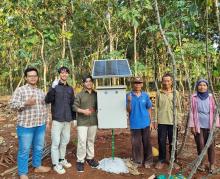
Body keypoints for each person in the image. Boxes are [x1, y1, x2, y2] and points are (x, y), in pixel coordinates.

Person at [10, 67, 51, 179]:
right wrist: (26, 103)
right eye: (30, 76)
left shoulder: (41, 92)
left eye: (35, 76)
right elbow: (12, 105)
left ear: (38, 77)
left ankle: (37, 166)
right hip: (25, 126)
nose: (33, 78)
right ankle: (22, 173)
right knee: (25, 149)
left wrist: (47, 121)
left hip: (40, 125)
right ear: (26, 78)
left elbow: (46, 107)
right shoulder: (20, 90)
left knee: (38, 147)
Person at [45, 66, 75, 174]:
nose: (64, 74)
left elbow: (72, 104)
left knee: (65, 141)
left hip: (67, 119)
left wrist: (74, 118)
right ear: (59, 75)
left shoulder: (70, 89)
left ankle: (61, 160)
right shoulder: (54, 87)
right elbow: (47, 100)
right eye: (62, 73)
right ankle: (55, 164)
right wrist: (52, 88)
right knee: (56, 142)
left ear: (68, 75)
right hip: (57, 119)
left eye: (66, 73)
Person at [189, 79, 220, 173]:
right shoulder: (193, 97)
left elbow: (216, 112)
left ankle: (212, 165)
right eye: (200, 85)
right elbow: (191, 111)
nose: (202, 87)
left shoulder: (211, 97)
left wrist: (216, 125)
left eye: (204, 85)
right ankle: (201, 164)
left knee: (210, 145)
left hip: (210, 125)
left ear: (207, 87)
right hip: (198, 125)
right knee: (200, 145)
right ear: (197, 86)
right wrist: (192, 125)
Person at [154, 73, 182, 170]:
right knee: (161, 141)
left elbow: (179, 108)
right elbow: (156, 108)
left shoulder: (176, 93)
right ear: (162, 82)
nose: (166, 83)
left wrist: (179, 121)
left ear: (172, 82)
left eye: (168, 81)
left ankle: (173, 160)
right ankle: (161, 159)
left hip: (173, 122)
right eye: (164, 81)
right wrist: (155, 120)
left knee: (173, 141)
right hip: (162, 121)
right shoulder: (159, 92)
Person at [73, 75, 99, 172]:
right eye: (86, 81)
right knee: (82, 141)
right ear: (83, 83)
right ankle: (80, 160)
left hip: (93, 121)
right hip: (82, 122)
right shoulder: (79, 95)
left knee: (91, 140)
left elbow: (99, 106)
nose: (89, 83)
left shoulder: (96, 94)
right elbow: (74, 107)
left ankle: (90, 158)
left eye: (90, 81)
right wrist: (83, 111)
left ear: (92, 82)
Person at [126, 76, 153, 168]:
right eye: (135, 83)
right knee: (136, 144)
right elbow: (128, 110)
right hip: (134, 123)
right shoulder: (128, 95)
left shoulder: (145, 95)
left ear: (142, 84)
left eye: (139, 83)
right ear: (133, 84)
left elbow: (149, 108)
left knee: (147, 143)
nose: (137, 85)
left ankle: (148, 161)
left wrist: (151, 122)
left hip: (145, 123)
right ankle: (137, 161)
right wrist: (129, 101)